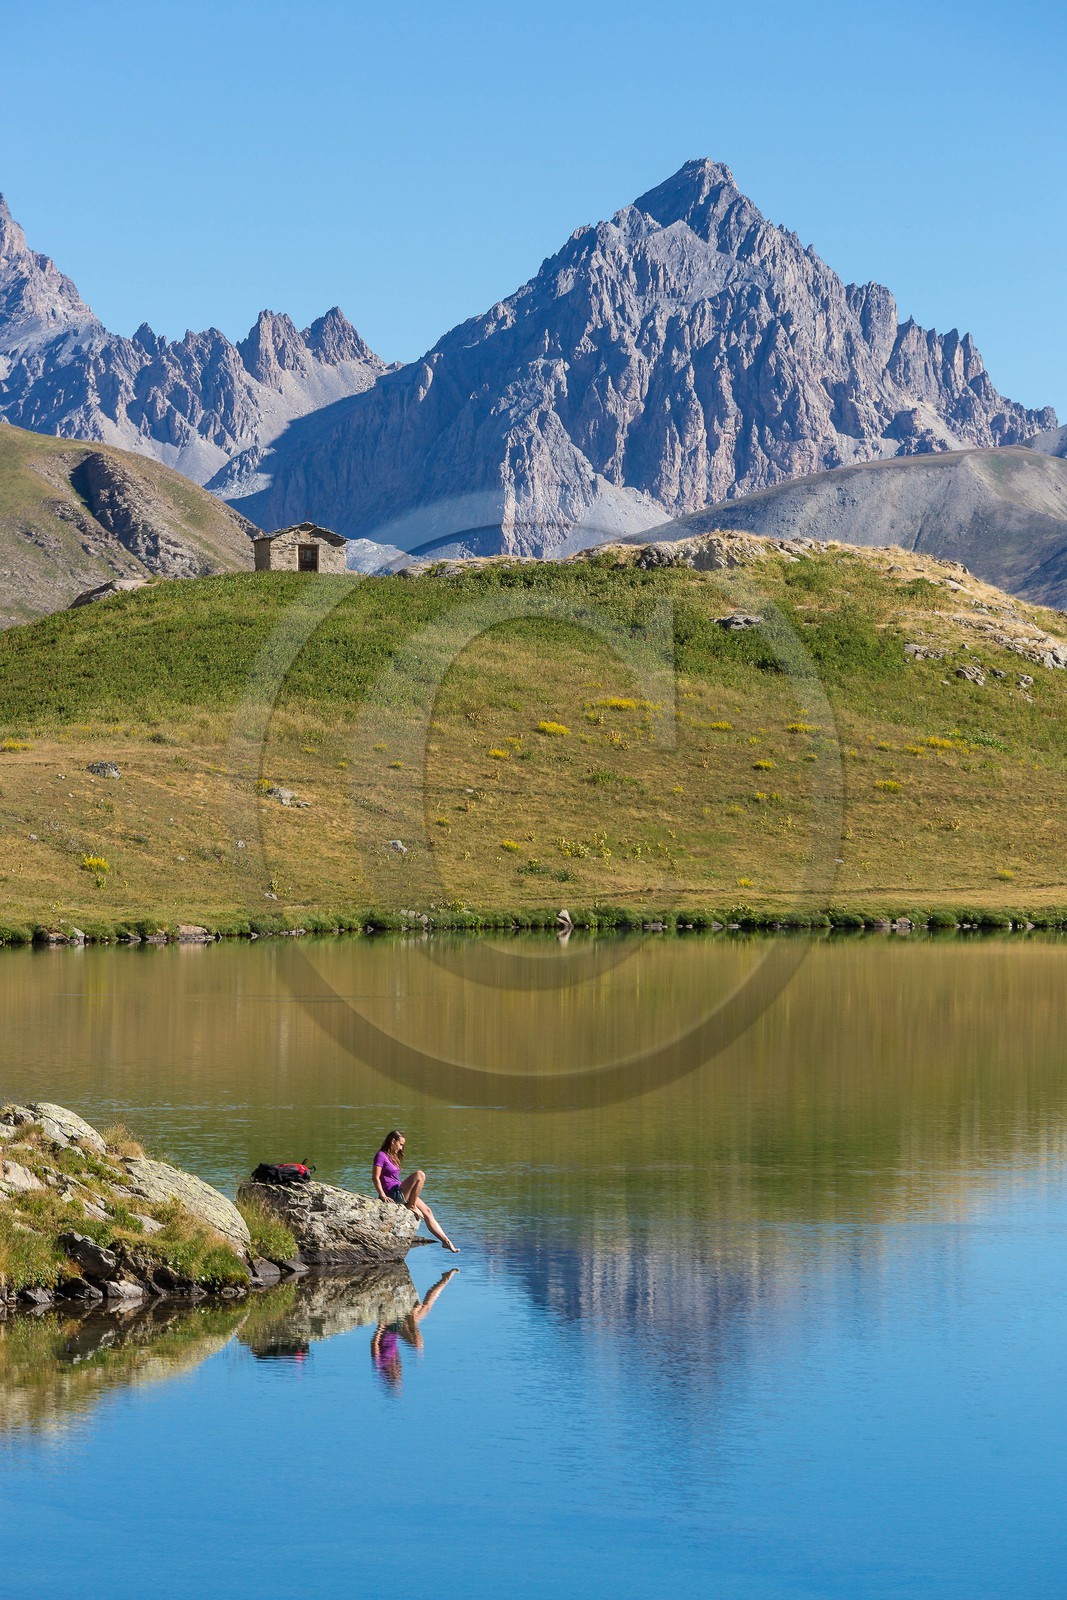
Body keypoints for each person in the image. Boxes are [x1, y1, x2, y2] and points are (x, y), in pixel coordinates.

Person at [370, 1266, 458, 1390]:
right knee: (425, 1310)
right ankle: (445, 1279)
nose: (399, 1371)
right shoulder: (393, 1363)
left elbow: (374, 1343)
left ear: (391, 1376)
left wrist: (381, 1327)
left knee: (418, 1338)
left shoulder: (380, 1364)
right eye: (399, 1374)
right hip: (395, 1327)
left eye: (397, 1375)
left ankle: (413, 1314)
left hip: (389, 1325)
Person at [371, 1130, 459, 1253]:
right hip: (393, 1194)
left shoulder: (393, 1156)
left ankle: (446, 1241)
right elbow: (375, 1177)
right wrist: (382, 1195)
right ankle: (411, 1205)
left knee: (427, 1211)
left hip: (399, 1190)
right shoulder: (381, 1155)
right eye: (400, 1144)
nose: (401, 1148)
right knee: (420, 1175)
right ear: (393, 1141)